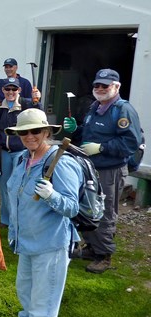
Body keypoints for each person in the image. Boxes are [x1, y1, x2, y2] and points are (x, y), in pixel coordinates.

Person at [3, 108, 83, 317]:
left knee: (44, 303)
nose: (29, 136)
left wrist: (52, 196)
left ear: (47, 132)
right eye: (24, 132)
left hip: (51, 244)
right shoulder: (21, 159)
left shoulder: (60, 162)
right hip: (26, 241)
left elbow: (72, 207)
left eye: (35, 131)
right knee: (25, 290)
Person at [63, 69, 143, 273]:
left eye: (105, 86)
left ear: (116, 87)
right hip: (91, 167)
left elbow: (130, 143)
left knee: (105, 211)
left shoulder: (122, 110)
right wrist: (75, 130)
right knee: (89, 207)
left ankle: (104, 255)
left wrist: (102, 148)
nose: (99, 89)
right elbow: (88, 133)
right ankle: (92, 247)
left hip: (110, 170)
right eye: (97, 85)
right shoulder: (95, 106)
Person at [0, 77, 42, 226]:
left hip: (21, 152)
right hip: (4, 151)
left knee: (19, 184)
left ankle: (20, 218)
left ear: (19, 90)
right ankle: (6, 219)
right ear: (2, 90)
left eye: (14, 89)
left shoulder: (27, 104)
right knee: (4, 185)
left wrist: (37, 102)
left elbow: (39, 118)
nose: (10, 92)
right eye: (7, 89)